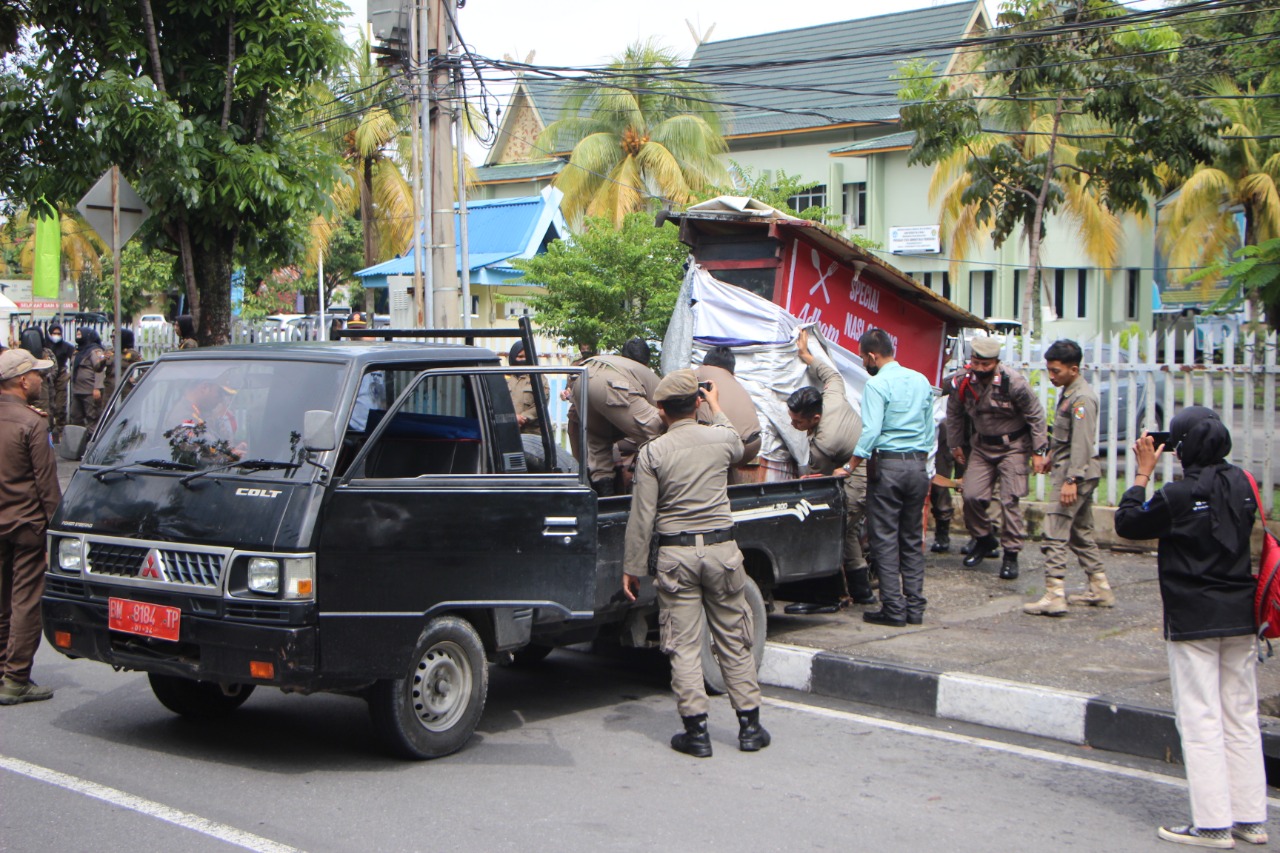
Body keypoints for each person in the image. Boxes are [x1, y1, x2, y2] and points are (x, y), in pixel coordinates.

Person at [1115, 408, 1267, 849]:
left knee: (1200, 719)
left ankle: (1213, 825)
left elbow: (1128, 523)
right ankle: (1250, 820)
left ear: (1182, 449)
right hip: (1241, 615)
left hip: (1194, 618)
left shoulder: (1177, 496)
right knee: (1241, 717)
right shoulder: (1245, 483)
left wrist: (1142, 474)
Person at [621, 370, 769, 758]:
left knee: (683, 645)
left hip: (676, 557)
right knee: (733, 638)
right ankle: (750, 727)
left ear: (661, 408)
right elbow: (739, 442)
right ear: (697, 403)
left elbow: (642, 517)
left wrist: (632, 567)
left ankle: (697, 733)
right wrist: (716, 405)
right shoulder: (721, 439)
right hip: (722, 553)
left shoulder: (652, 453)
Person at [847, 328, 934, 627]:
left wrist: (850, 465)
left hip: (888, 469)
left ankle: (893, 609)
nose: (863, 364)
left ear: (872, 356)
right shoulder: (921, 380)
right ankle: (915, 608)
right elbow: (929, 430)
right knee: (911, 538)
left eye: (863, 358)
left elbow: (871, 431)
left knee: (884, 540)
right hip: (918, 467)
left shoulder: (876, 385)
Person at [948, 336, 1049, 580]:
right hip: (982, 446)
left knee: (1009, 500)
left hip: (1013, 446)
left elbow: (1036, 415)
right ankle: (984, 539)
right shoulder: (963, 381)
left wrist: (1039, 452)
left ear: (996, 362)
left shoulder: (1013, 382)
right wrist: (955, 443)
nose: (980, 368)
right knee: (971, 495)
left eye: (986, 364)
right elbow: (954, 412)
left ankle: (1011, 554)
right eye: (976, 363)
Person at [786, 329, 873, 605]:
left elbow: (821, 479)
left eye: (798, 423)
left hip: (859, 477)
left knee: (834, 530)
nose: (793, 426)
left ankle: (834, 593)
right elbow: (832, 375)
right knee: (850, 532)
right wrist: (806, 355)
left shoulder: (824, 442)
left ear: (815, 418)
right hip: (863, 463)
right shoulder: (832, 395)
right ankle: (862, 592)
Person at [1024, 339, 1109, 616]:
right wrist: (1051, 455)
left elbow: (1082, 443)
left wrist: (1071, 480)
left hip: (1075, 474)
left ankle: (1054, 594)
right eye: (1049, 370)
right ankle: (1100, 587)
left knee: (1055, 532)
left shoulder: (1081, 399)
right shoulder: (1070, 392)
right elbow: (1067, 438)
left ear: (1074, 369)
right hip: (1073, 470)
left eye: (1056, 371)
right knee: (1080, 533)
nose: (1051, 376)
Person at [0, 349, 62, 705]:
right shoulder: (32, 422)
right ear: (23, 381)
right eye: (37, 374)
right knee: (24, 602)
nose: (41, 379)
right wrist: (57, 531)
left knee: (1, 601)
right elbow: (47, 487)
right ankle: (15, 677)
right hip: (26, 526)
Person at [580, 338, 662, 496]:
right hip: (613, 384)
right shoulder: (645, 373)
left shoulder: (612, 362)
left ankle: (606, 500)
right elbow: (665, 417)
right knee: (659, 435)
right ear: (647, 361)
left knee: (598, 443)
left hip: (582, 378)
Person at [695, 346, 762, 481]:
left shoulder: (699, 372)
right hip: (752, 445)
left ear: (705, 363)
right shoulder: (735, 381)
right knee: (725, 460)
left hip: (724, 446)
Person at [164, 377, 244, 465]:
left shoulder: (203, 413)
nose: (221, 400)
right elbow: (195, 457)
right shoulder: (183, 417)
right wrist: (228, 458)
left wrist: (231, 451)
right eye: (219, 394)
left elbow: (213, 445)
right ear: (204, 387)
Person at [506, 342, 549, 436]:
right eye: (520, 357)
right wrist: (511, 418)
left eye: (526, 357)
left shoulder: (538, 378)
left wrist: (523, 418)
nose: (523, 360)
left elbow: (541, 403)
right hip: (507, 430)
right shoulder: (504, 378)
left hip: (531, 432)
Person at [68, 327, 106, 426]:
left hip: (90, 391)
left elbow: (99, 369)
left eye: (80, 334)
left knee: (92, 417)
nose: (78, 337)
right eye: (77, 335)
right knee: (75, 417)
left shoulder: (95, 351)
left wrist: (97, 388)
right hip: (77, 391)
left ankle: (92, 436)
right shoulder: (78, 351)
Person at [101, 328, 142, 405]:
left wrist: (135, 380)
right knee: (108, 411)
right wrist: (103, 360)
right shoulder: (109, 352)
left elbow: (146, 368)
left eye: (115, 337)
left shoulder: (131, 354)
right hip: (109, 391)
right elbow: (97, 368)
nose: (113, 339)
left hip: (124, 390)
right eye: (111, 337)